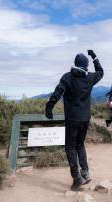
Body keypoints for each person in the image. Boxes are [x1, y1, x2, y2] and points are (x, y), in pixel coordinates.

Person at [45, 50, 103, 190]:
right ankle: (85, 172)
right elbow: (101, 71)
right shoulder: (90, 77)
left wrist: (49, 108)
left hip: (72, 118)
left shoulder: (67, 77)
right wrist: (94, 56)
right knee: (80, 144)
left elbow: (57, 93)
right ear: (86, 65)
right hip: (85, 118)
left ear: (75, 64)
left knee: (70, 147)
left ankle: (77, 178)